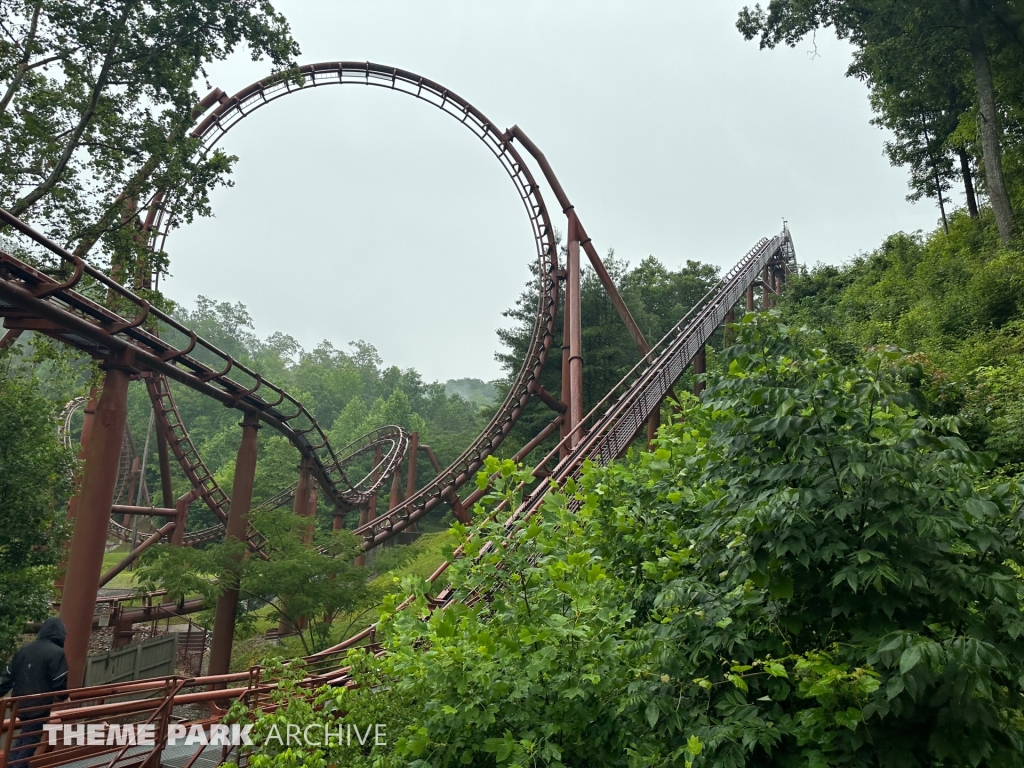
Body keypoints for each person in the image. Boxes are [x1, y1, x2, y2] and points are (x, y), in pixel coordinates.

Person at [0, 618, 69, 764]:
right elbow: (59, 680)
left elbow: (7, 677)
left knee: (25, 736)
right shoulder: (56, 653)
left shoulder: (24, 650)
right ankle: (15, 766)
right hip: (39, 706)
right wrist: (64, 697)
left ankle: (10, 763)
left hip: (19, 704)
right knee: (31, 741)